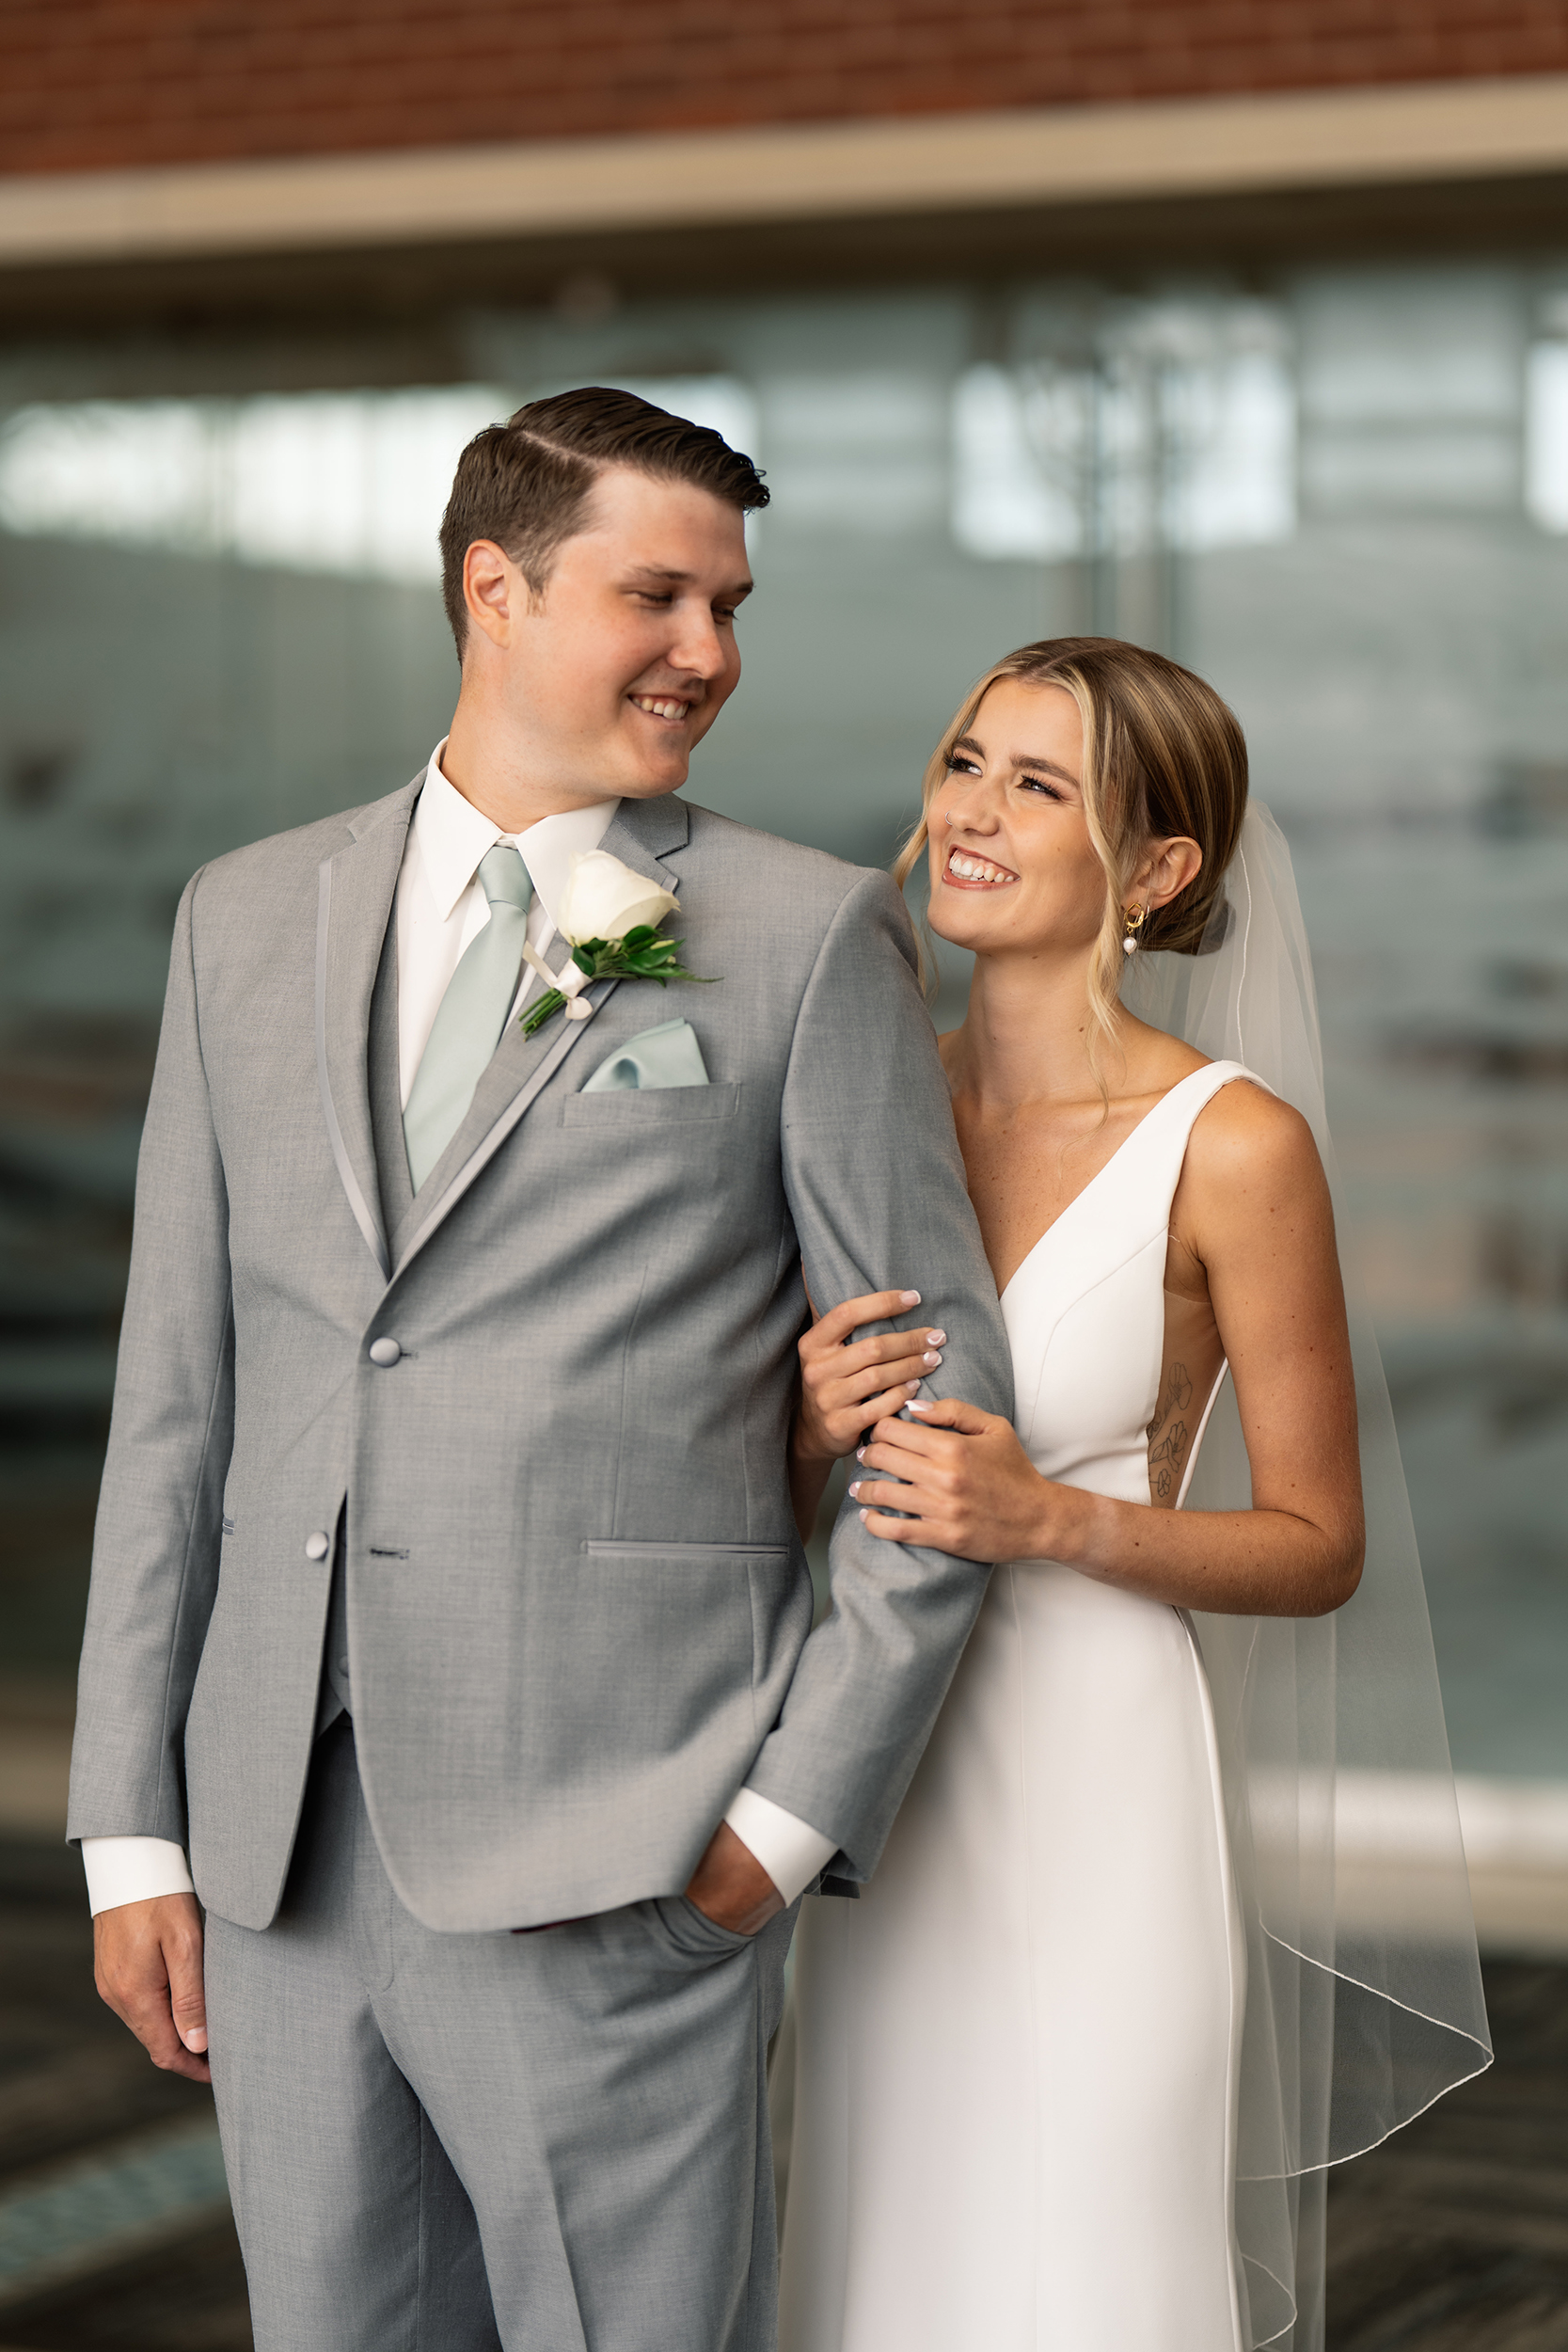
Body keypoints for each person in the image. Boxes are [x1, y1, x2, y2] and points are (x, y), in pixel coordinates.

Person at [68, 389, 1013, 2352]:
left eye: (732, 603)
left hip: (624, 1841)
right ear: (493, 587)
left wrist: (781, 1822)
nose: (711, 652)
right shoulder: (242, 917)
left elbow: (941, 1406)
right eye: (656, 592)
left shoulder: (803, 931)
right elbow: (178, 1397)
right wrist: (134, 1826)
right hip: (275, 1851)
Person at [778, 638, 1489, 2351]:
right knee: (880, 2253)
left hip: (1094, 1788)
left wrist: (1054, 1520)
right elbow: (782, 1488)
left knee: (1084, 2264)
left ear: (1157, 871)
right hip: (876, 1768)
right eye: (966, 763)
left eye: (1044, 788)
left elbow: (1319, 1548)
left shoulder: (1234, 1146)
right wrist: (802, 1430)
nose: (975, 813)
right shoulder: (851, 1101)